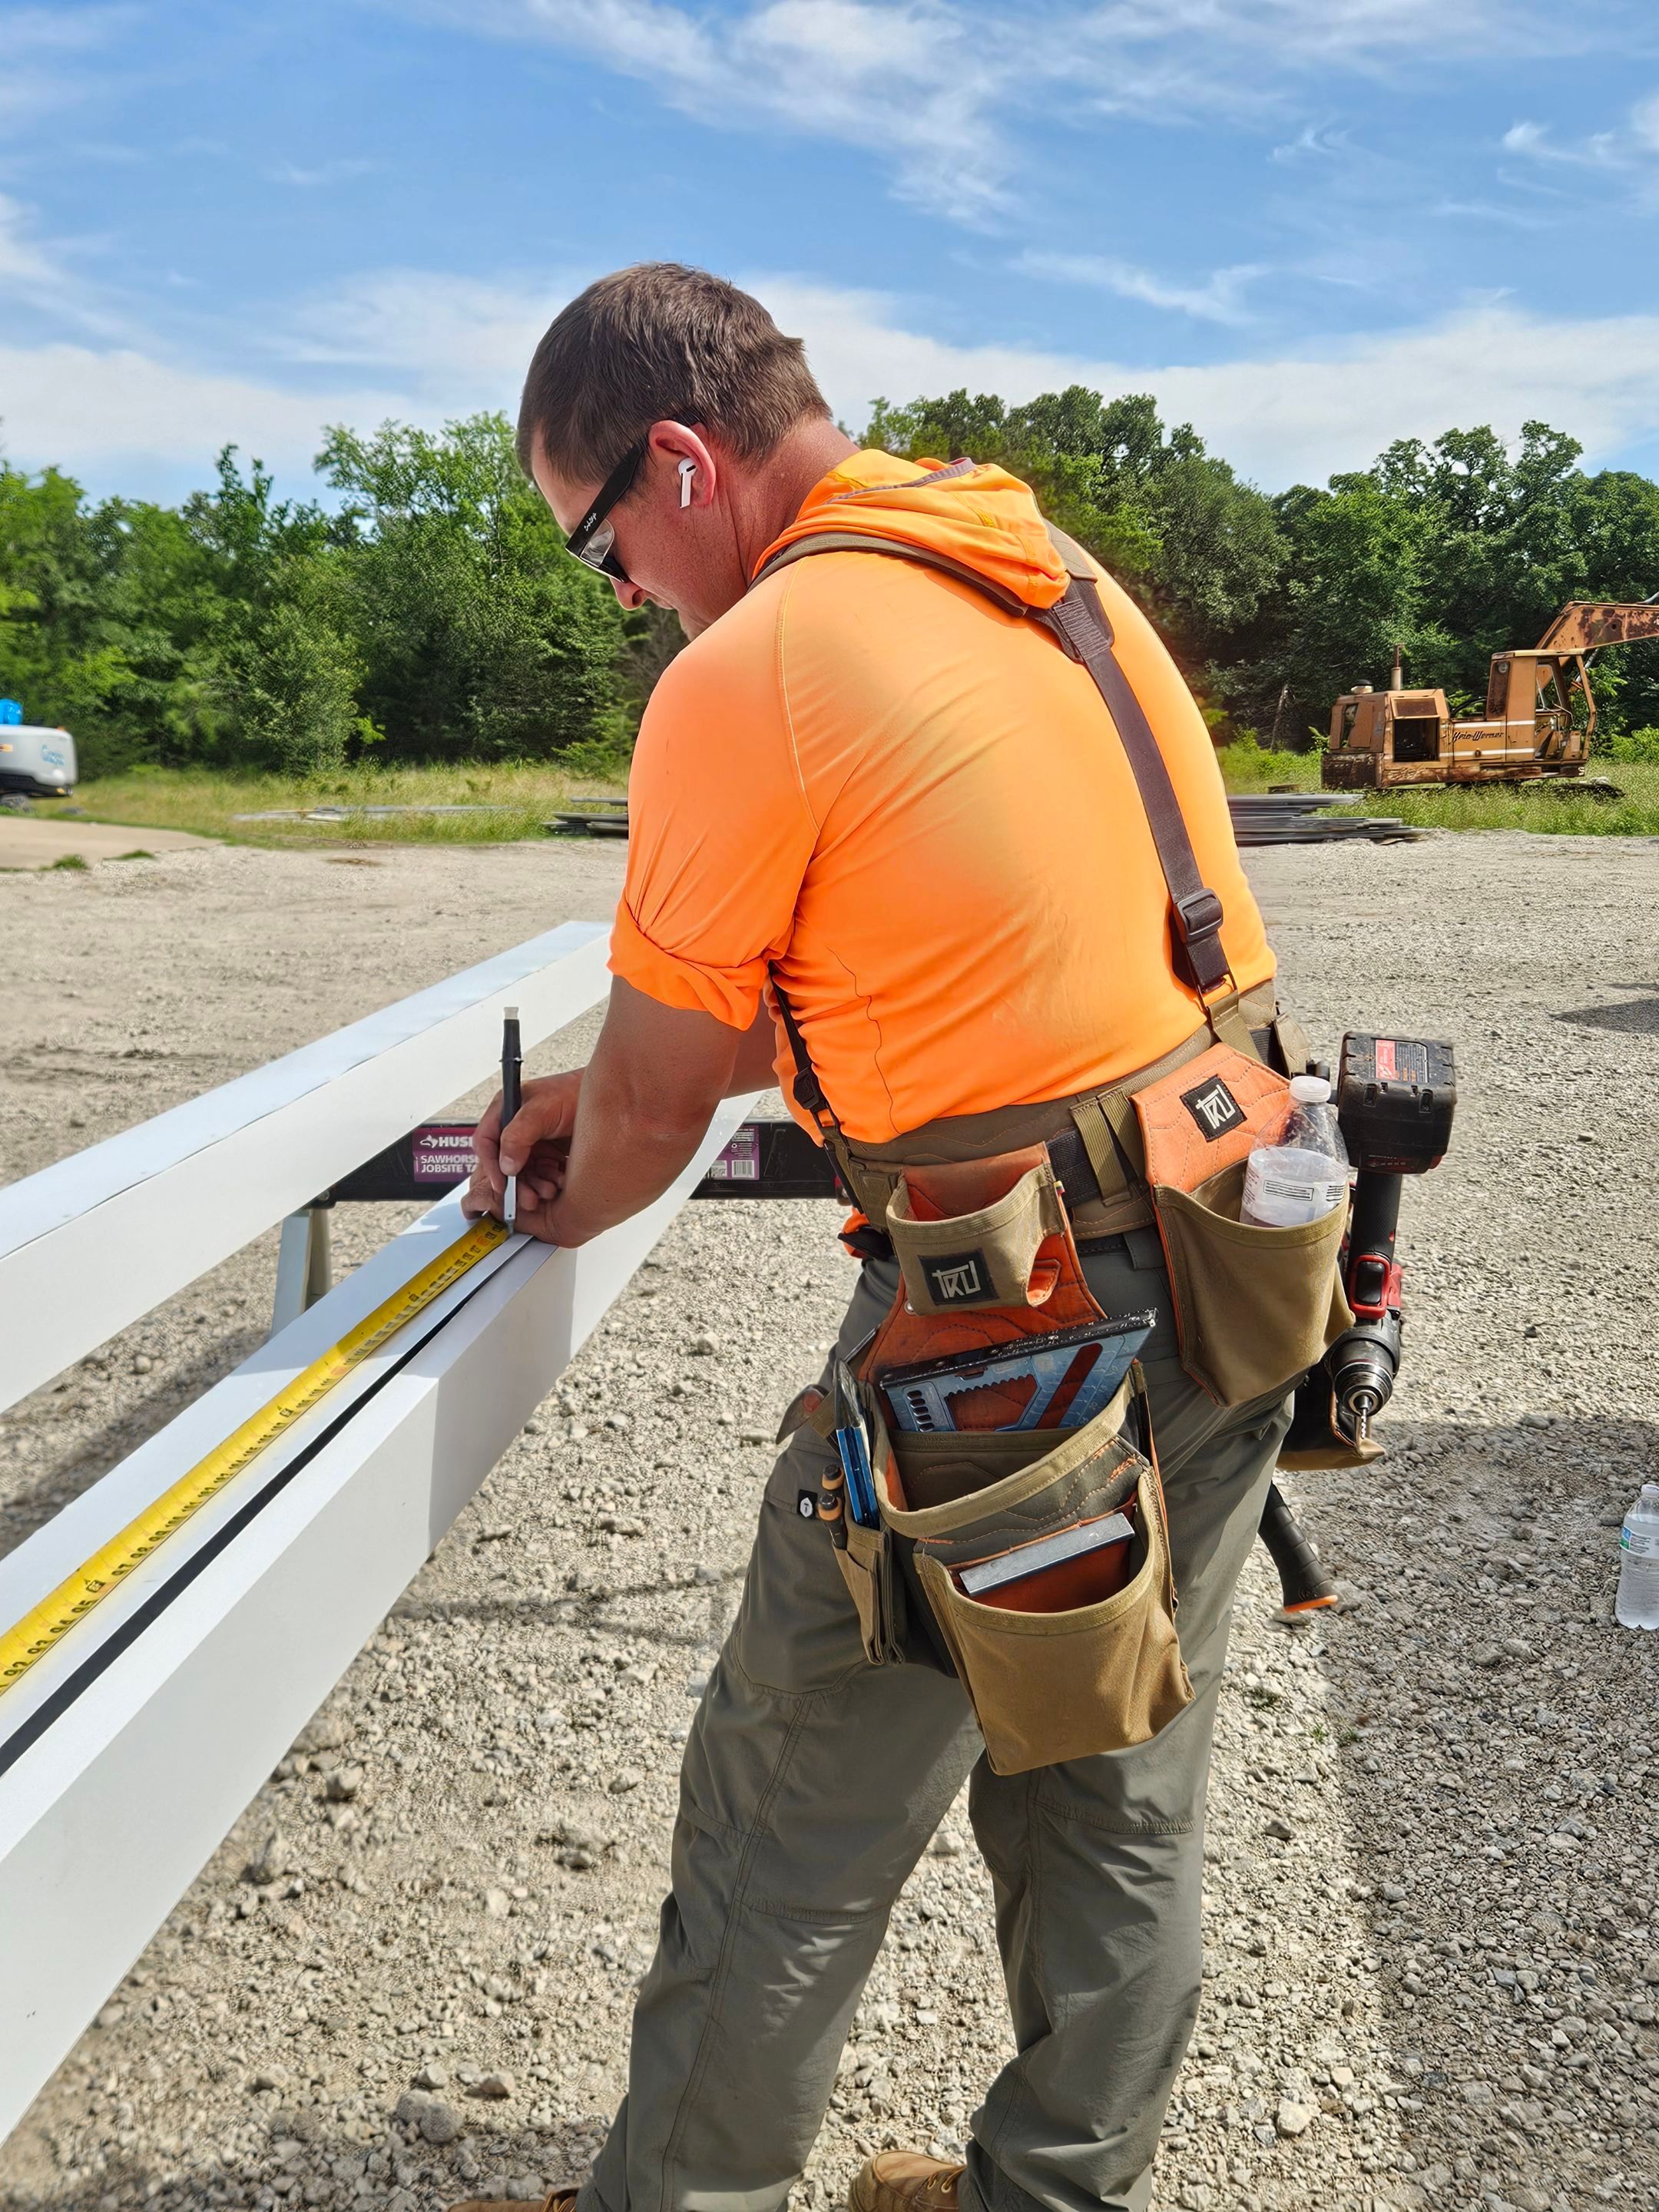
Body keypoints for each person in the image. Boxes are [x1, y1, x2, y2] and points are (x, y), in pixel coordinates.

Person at [455, 263, 1296, 2212]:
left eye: (601, 548)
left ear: (681, 462)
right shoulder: (1033, 568)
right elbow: (902, 940)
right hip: (1239, 1223)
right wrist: (636, 1074)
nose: (621, 597)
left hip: (1022, 1325)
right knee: (1111, 1757)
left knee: (790, 1808)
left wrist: (539, 1186)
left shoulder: (749, 671)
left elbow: (659, 1112)